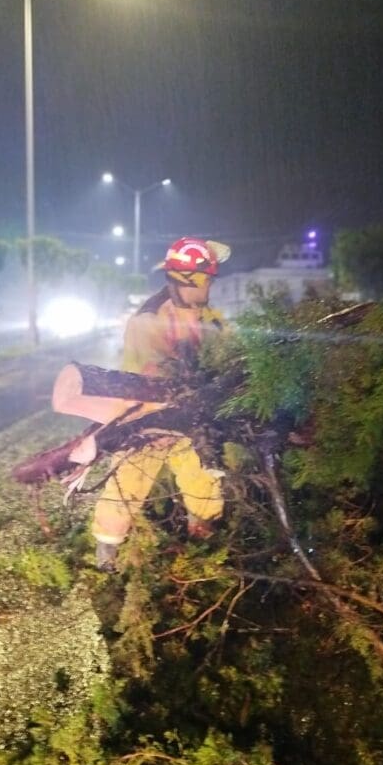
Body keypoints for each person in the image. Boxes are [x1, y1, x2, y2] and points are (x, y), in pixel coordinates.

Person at [91, 237, 231, 570]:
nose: (209, 286)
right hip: (146, 420)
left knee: (204, 479)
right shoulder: (148, 320)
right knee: (127, 485)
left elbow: (228, 355)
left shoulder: (210, 318)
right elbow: (156, 373)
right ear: (185, 280)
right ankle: (106, 556)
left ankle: (202, 543)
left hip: (190, 418)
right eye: (206, 280)